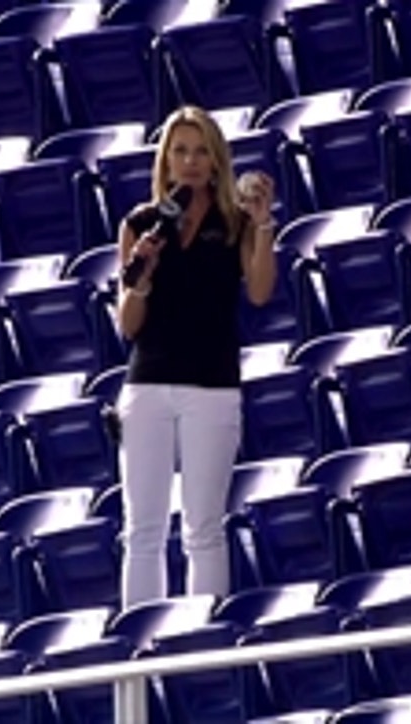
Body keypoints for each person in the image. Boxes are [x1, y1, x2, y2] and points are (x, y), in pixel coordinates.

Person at [114, 105, 278, 607]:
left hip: (210, 384)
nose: (190, 161)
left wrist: (264, 225)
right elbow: (127, 324)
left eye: (201, 150)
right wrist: (140, 278)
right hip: (148, 383)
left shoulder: (233, 220)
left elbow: (260, 291)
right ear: (165, 160)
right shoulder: (142, 223)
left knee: (202, 526)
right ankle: (141, 647)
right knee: (143, 528)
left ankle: (202, 646)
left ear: (216, 159)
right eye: (180, 151)